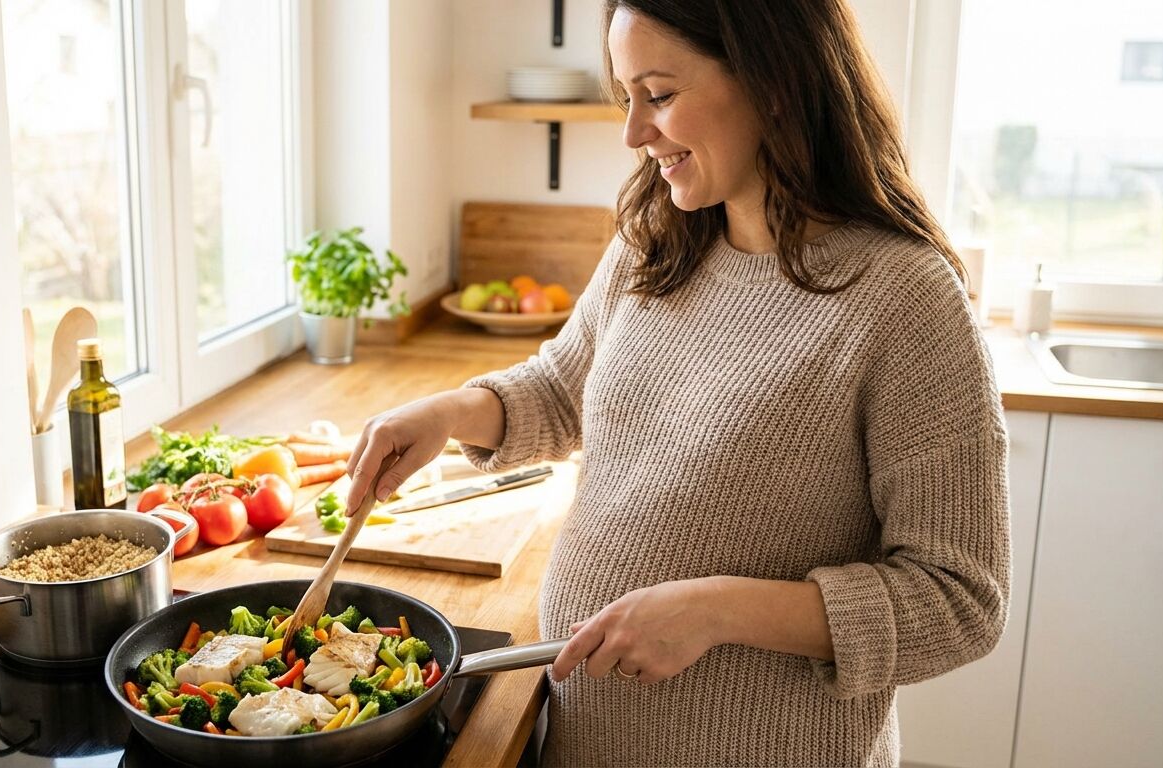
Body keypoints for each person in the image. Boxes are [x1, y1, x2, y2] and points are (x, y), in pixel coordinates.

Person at [344, 0, 1010, 764]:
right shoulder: (656, 238)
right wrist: (448, 413)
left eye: (658, 96)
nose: (633, 133)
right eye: (626, 97)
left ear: (776, 82)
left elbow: (962, 600)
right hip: (589, 742)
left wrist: (719, 611)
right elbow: (563, 389)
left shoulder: (904, 298)